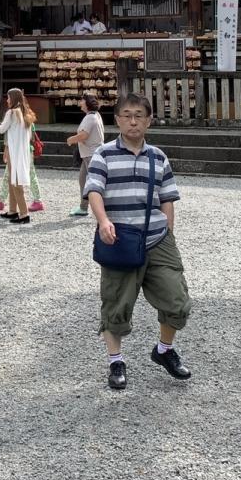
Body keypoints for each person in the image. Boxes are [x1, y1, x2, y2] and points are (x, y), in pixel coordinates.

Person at [84, 92, 192, 392]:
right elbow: (94, 191)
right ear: (117, 120)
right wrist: (103, 221)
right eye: (127, 115)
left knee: (177, 300)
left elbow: (167, 198)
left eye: (139, 116)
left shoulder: (158, 157)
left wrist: (168, 230)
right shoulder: (104, 154)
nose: (133, 121)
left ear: (149, 121)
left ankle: (164, 350)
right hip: (118, 238)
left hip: (157, 239)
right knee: (116, 304)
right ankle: (115, 361)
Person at [0, 88, 35, 224]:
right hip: (22, 152)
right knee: (11, 180)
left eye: (8, 98)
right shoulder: (25, 113)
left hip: (15, 153)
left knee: (16, 183)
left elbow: (1, 129)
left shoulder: (12, 112)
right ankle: (13, 210)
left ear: (13, 98)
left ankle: (24, 214)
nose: (7, 100)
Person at [0, 122, 45, 212]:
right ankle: (2, 200)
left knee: (27, 175)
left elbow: (12, 137)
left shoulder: (18, 120)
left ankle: (37, 201)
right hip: (21, 151)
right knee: (11, 175)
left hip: (20, 151)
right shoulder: (26, 120)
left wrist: (7, 149)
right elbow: (31, 138)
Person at [66, 93, 105, 216]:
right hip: (90, 154)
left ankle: (102, 208)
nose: (80, 102)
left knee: (94, 182)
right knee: (83, 180)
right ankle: (83, 207)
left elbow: (84, 135)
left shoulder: (90, 117)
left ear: (87, 103)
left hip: (90, 155)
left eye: (82, 100)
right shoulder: (95, 115)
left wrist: (71, 139)